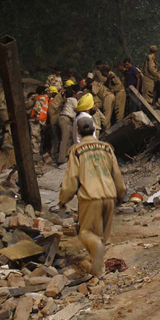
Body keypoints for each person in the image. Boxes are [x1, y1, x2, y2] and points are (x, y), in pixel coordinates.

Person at [58, 117, 126, 276]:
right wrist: (121, 194)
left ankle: (96, 252)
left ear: (79, 132)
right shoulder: (107, 148)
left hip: (90, 198)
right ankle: (99, 271)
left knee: (86, 233)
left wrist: (63, 200)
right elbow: (116, 174)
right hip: (109, 196)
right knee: (104, 237)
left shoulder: (76, 150)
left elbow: (71, 180)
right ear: (94, 129)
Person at [58, 87, 77, 164]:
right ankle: (61, 159)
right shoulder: (73, 100)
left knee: (68, 138)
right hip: (66, 119)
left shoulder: (67, 100)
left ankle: (66, 155)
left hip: (63, 119)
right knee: (65, 139)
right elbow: (78, 108)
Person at [29, 86, 50, 158]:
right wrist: (37, 116)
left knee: (37, 136)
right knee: (35, 136)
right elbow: (38, 107)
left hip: (39, 120)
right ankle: (35, 153)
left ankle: (36, 152)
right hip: (36, 120)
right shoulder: (42, 97)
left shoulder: (42, 97)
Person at [47, 86, 63, 162]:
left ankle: (54, 153)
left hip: (53, 120)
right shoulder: (53, 101)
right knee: (55, 138)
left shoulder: (51, 100)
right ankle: (54, 153)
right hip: (54, 120)